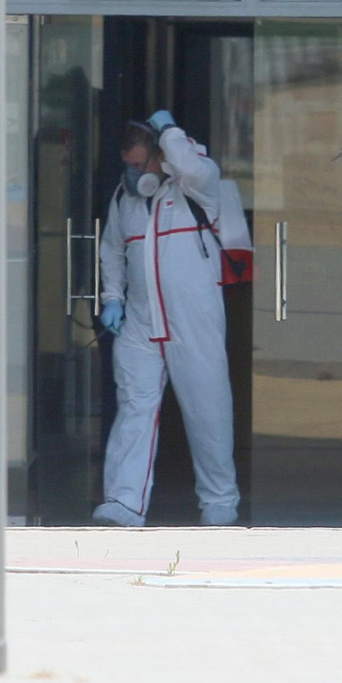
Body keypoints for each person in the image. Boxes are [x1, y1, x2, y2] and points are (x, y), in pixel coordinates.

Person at [93, 110, 241, 527]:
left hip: (192, 317)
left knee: (207, 410)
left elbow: (192, 167)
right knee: (135, 409)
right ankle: (124, 502)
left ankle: (219, 504)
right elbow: (112, 250)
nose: (136, 172)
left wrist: (171, 130)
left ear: (162, 155)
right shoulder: (126, 198)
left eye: (142, 162)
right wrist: (112, 298)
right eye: (130, 164)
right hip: (141, 321)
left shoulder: (199, 183)